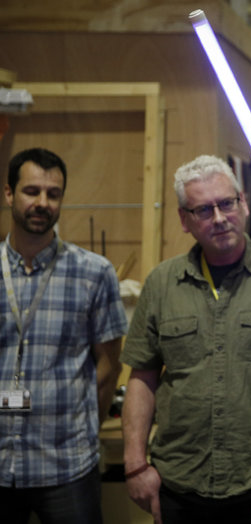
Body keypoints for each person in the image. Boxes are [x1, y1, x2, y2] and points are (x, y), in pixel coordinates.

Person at [120, 155, 251, 524]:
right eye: (203, 210)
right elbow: (143, 379)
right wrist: (135, 465)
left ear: (244, 203)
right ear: (184, 220)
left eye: (226, 204)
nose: (218, 218)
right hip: (179, 487)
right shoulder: (161, 283)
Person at [0, 147, 127, 523]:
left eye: (53, 194)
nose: (42, 202)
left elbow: (108, 367)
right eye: (31, 191)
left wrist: (87, 430)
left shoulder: (94, 273)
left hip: (67, 465)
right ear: (9, 193)